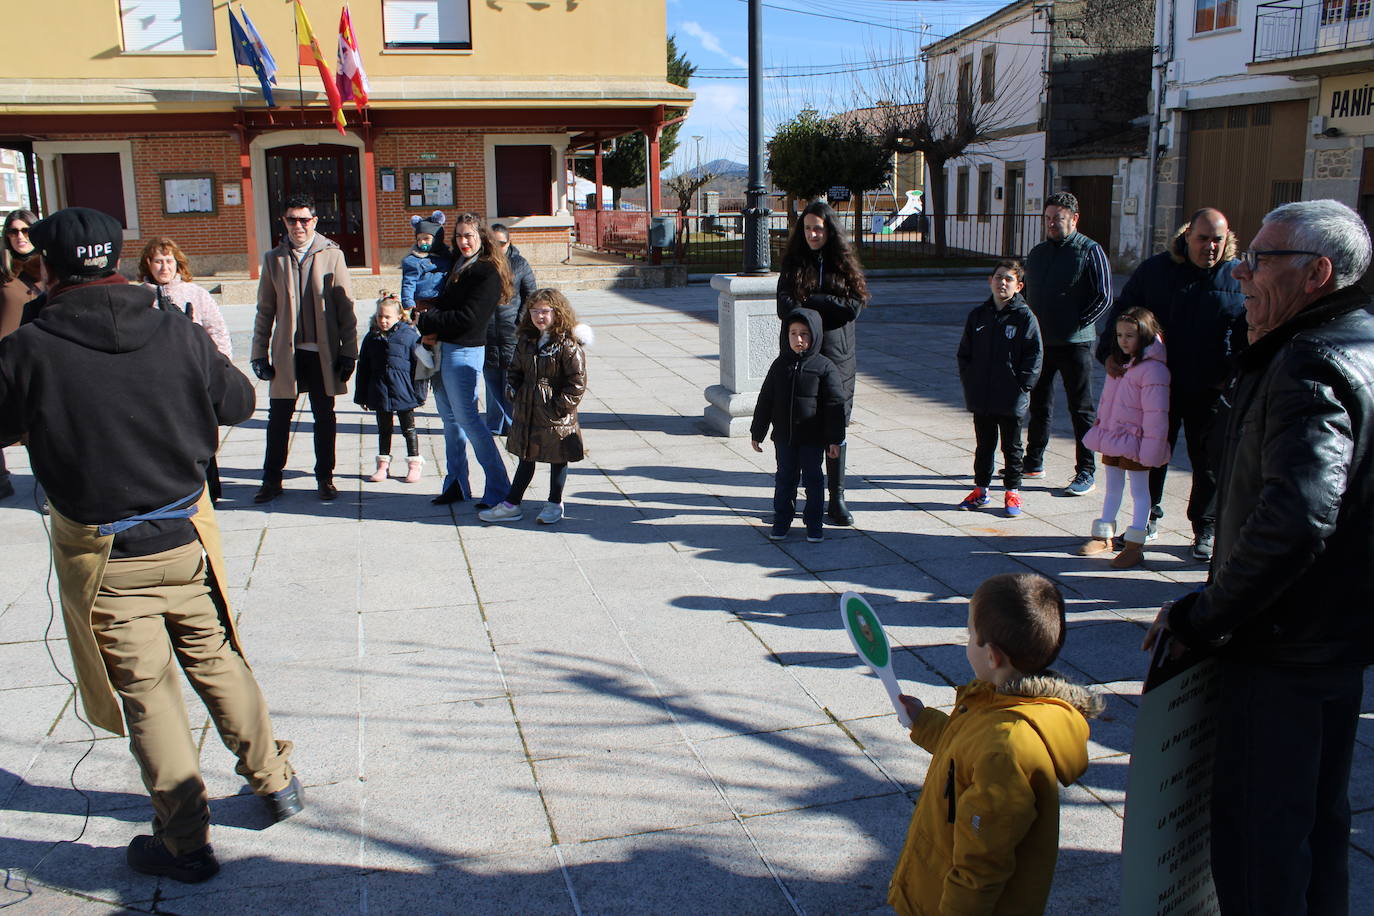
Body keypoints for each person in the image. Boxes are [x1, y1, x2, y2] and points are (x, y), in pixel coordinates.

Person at [0, 207, 301, 884]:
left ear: (45, 267)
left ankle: (184, 840)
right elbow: (238, 404)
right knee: (218, 659)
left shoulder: (29, 346)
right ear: (115, 260)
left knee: (148, 693)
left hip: (105, 551)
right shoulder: (175, 329)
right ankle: (275, 780)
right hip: (184, 534)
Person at [1143, 200, 1374, 915]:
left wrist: (1206, 616)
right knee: (1317, 827)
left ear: (1317, 275)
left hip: (1281, 651)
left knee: (1260, 841)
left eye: (1260, 259)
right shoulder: (1353, 341)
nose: (1241, 270)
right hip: (1334, 641)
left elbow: (1297, 516)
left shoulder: (1310, 363)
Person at [888, 573, 1101, 916]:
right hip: (935, 883)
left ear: (993, 657)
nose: (967, 640)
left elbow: (981, 867)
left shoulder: (1007, 748)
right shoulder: (994, 703)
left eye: (970, 634)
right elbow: (964, 747)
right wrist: (923, 721)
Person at [1095, 208, 1245, 559]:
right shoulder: (1157, 271)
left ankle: (1203, 527)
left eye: (1217, 240)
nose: (1210, 246)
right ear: (1187, 236)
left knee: (1208, 461)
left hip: (1209, 388)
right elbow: (1124, 311)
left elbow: (1247, 331)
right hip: (1155, 386)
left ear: (1227, 240)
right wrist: (1110, 352)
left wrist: (1235, 375)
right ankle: (1146, 519)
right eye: (1203, 238)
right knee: (1151, 454)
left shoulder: (1236, 277)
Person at [250, 194, 358, 503]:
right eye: (292, 220)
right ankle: (271, 480)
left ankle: (325, 478)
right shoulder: (274, 259)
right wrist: (259, 353)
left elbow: (345, 309)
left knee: (324, 417)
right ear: (283, 222)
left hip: (322, 353)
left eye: (304, 219)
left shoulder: (332, 254)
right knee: (278, 419)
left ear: (315, 221)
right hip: (287, 353)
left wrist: (349, 351)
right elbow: (265, 310)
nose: (298, 225)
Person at [777, 200, 868, 526]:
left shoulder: (843, 263)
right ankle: (794, 496)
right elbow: (785, 305)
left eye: (818, 228)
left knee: (835, 425)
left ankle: (836, 496)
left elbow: (852, 307)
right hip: (801, 357)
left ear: (829, 230)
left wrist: (812, 300)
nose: (813, 234)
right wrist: (823, 306)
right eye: (808, 228)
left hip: (837, 357)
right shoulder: (794, 262)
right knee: (799, 424)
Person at [416, 212, 513, 508]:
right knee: (450, 422)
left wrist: (428, 318)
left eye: (469, 235)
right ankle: (456, 484)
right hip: (444, 350)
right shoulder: (459, 264)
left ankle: (499, 489)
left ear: (481, 237)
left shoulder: (487, 272)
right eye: (459, 236)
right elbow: (448, 306)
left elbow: (469, 319)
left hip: (464, 352)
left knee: (470, 421)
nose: (463, 241)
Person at [1022, 191, 1113, 497]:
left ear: (1074, 219)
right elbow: (1025, 295)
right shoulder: (1036, 253)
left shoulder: (1090, 250)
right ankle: (1033, 461)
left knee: (1081, 409)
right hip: (1042, 344)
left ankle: (1086, 471)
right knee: (1039, 404)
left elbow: (1104, 296)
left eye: (1057, 219)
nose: (1051, 224)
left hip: (1076, 345)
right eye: (1047, 218)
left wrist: (1078, 323)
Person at [478, 288, 589, 525]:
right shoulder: (526, 341)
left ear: (558, 313)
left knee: (558, 458)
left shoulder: (567, 345)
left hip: (555, 414)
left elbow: (576, 383)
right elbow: (515, 370)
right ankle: (512, 504)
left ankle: (554, 502)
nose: (540, 316)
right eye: (535, 311)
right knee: (526, 456)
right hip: (528, 409)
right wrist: (513, 391)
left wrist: (558, 408)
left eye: (545, 311)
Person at [139, 237, 234, 502]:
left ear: (178, 263)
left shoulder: (195, 294)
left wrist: (221, 364)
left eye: (169, 261)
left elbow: (217, 330)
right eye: (158, 261)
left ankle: (210, 491)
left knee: (201, 435)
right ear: (148, 264)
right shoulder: (139, 297)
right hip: (157, 381)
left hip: (194, 377)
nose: (164, 267)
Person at [1079, 307, 1171, 568]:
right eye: (1120, 335)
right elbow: (1108, 404)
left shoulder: (1154, 371)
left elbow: (1156, 415)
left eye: (1130, 335)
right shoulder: (1120, 365)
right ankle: (1103, 535)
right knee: (1113, 488)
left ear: (1145, 335)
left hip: (1137, 442)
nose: (1123, 341)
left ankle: (1134, 544)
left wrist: (1152, 449)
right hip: (1114, 438)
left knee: (1140, 492)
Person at [956, 260, 1043, 518]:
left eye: (1008, 279)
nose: (1002, 282)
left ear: (1019, 286)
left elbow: (1034, 355)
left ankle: (1012, 491)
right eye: (998, 277)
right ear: (990, 281)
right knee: (984, 444)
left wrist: (1022, 385)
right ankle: (981, 489)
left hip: (1010, 395)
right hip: (982, 394)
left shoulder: (1024, 317)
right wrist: (970, 381)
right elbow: (965, 354)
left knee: (1012, 447)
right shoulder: (978, 315)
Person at [749, 308, 845, 543]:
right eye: (793, 333)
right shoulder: (779, 365)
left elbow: (835, 405)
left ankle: (814, 522)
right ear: (786, 335)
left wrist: (834, 438)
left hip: (813, 439)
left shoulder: (825, 367)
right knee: (784, 479)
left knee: (814, 481)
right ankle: (782, 520)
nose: (799, 339)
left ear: (815, 336)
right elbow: (766, 400)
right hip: (784, 438)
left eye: (804, 334)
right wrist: (758, 432)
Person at [354, 293, 424, 484]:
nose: (383, 321)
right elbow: (364, 368)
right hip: (379, 390)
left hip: (403, 390)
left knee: (408, 428)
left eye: (387, 317)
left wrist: (420, 393)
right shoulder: (371, 338)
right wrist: (362, 396)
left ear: (399, 316)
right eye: (380, 316)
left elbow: (419, 366)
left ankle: (414, 464)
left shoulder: (409, 336)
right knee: (383, 429)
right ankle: (383, 465)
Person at [0, 208, 43, 501]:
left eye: (25, 230)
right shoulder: (2, 272)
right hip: (4, 356)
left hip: (38, 356)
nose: (19, 237)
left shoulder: (51, 268)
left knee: (38, 427)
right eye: (13, 232)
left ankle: (49, 486)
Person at [484, 222, 537, 435]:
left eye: (502, 243)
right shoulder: (483, 262)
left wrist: (521, 321)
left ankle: (513, 423)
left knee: (511, 379)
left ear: (509, 242)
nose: (498, 248)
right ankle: (495, 425)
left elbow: (531, 294)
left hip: (511, 330)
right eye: (493, 244)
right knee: (490, 381)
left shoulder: (519, 263)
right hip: (486, 331)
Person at [400, 210, 450, 318]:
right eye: (419, 239)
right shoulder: (414, 261)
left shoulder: (446, 257)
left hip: (442, 299)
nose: (422, 242)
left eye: (426, 238)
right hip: (423, 301)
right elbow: (409, 282)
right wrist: (408, 302)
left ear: (437, 239)